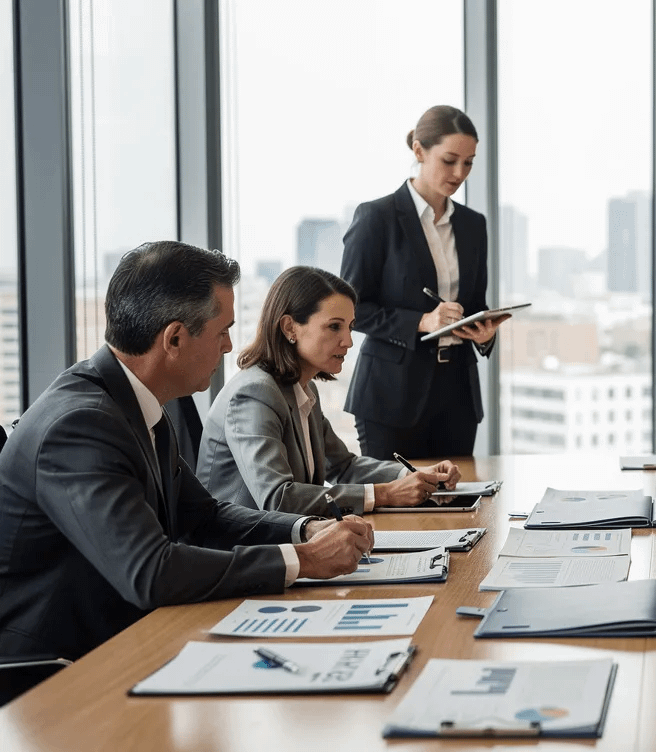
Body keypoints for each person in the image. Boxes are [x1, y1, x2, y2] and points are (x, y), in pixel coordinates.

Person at [0, 242, 373, 688]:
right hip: (60, 671)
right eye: (222, 331)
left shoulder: (136, 404)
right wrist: (303, 560)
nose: (231, 345)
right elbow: (151, 571)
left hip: (125, 636)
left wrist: (304, 530)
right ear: (175, 339)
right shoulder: (81, 424)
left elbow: (206, 515)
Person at [196, 266, 461, 517]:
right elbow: (277, 498)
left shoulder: (303, 388)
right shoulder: (255, 393)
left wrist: (411, 475)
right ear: (290, 328)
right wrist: (386, 494)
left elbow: (344, 467)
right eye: (334, 326)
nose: (348, 341)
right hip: (246, 553)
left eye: (350, 327)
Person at [340, 105, 508, 459]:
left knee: (457, 505)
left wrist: (485, 332)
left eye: (469, 162)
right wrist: (423, 321)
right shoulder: (376, 218)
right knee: (394, 507)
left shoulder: (473, 225)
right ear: (419, 150)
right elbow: (352, 310)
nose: (460, 172)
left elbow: (475, 302)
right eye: (449, 160)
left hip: (458, 396)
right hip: (391, 396)